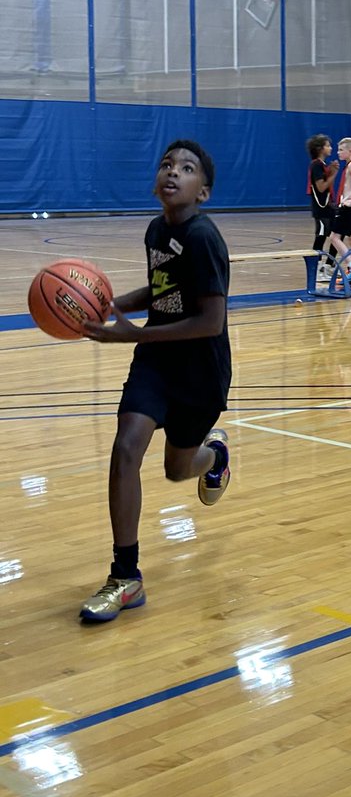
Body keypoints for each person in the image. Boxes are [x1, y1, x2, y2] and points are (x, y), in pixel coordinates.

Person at [79, 140, 232, 622]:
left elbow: (211, 320)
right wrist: (115, 303)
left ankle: (215, 456)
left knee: (175, 469)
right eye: (167, 165)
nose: (173, 172)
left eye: (186, 169)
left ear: (202, 191)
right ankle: (125, 576)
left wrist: (126, 336)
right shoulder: (155, 230)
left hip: (200, 370)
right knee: (126, 448)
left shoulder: (205, 239)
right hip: (156, 361)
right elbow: (163, 289)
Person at [328, 137, 351, 282]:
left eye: (341, 150)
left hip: (349, 208)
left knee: (334, 237)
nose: (338, 152)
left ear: (350, 151)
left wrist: (349, 201)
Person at [307, 134, 339, 284]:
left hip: (329, 206)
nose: (330, 148)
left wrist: (330, 171)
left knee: (336, 235)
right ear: (320, 149)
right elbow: (321, 187)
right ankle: (316, 268)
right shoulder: (316, 165)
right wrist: (334, 174)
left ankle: (328, 265)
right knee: (320, 237)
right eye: (328, 145)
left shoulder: (323, 165)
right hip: (321, 208)